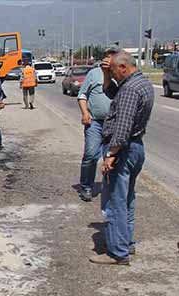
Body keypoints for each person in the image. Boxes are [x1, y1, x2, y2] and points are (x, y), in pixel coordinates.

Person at [89, 51, 154, 265]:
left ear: (124, 67)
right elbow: (111, 92)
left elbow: (123, 127)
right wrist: (106, 73)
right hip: (135, 148)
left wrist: (110, 155)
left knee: (115, 202)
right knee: (127, 198)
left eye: (115, 70)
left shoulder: (130, 90)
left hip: (123, 150)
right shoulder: (140, 83)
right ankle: (127, 242)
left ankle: (118, 252)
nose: (114, 74)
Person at [77, 47, 121, 202]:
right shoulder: (94, 74)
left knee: (110, 157)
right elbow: (82, 95)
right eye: (107, 57)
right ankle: (86, 186)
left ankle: (109, 188)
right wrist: (85, 113)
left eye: (112, 58)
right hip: (94, 122)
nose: (108, 60)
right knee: (90, 154)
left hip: (113, 124)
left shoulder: (119, 75)